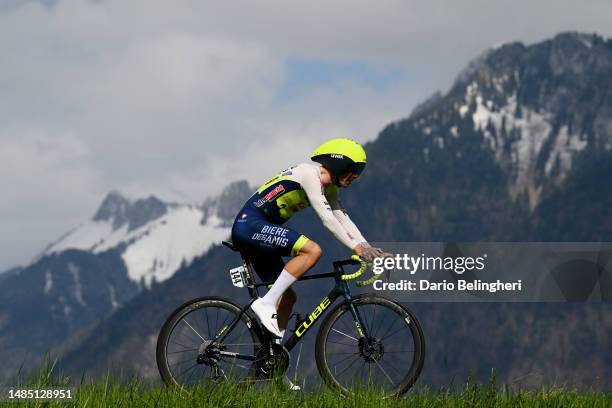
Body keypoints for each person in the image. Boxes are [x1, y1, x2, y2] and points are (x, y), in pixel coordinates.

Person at [231, 138, 384, 340]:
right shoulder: (308, 174)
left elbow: (343, 219)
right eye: (353, 169)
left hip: (259, 231)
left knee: (288, 297)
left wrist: (366, 247)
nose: (356, 176)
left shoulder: (330, 189)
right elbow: (328, 219)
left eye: (360, 172)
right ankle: (265, 303)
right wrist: (356, 247)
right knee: (312, 250)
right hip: (248, 225)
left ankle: (272, 356)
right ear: (338, 163)